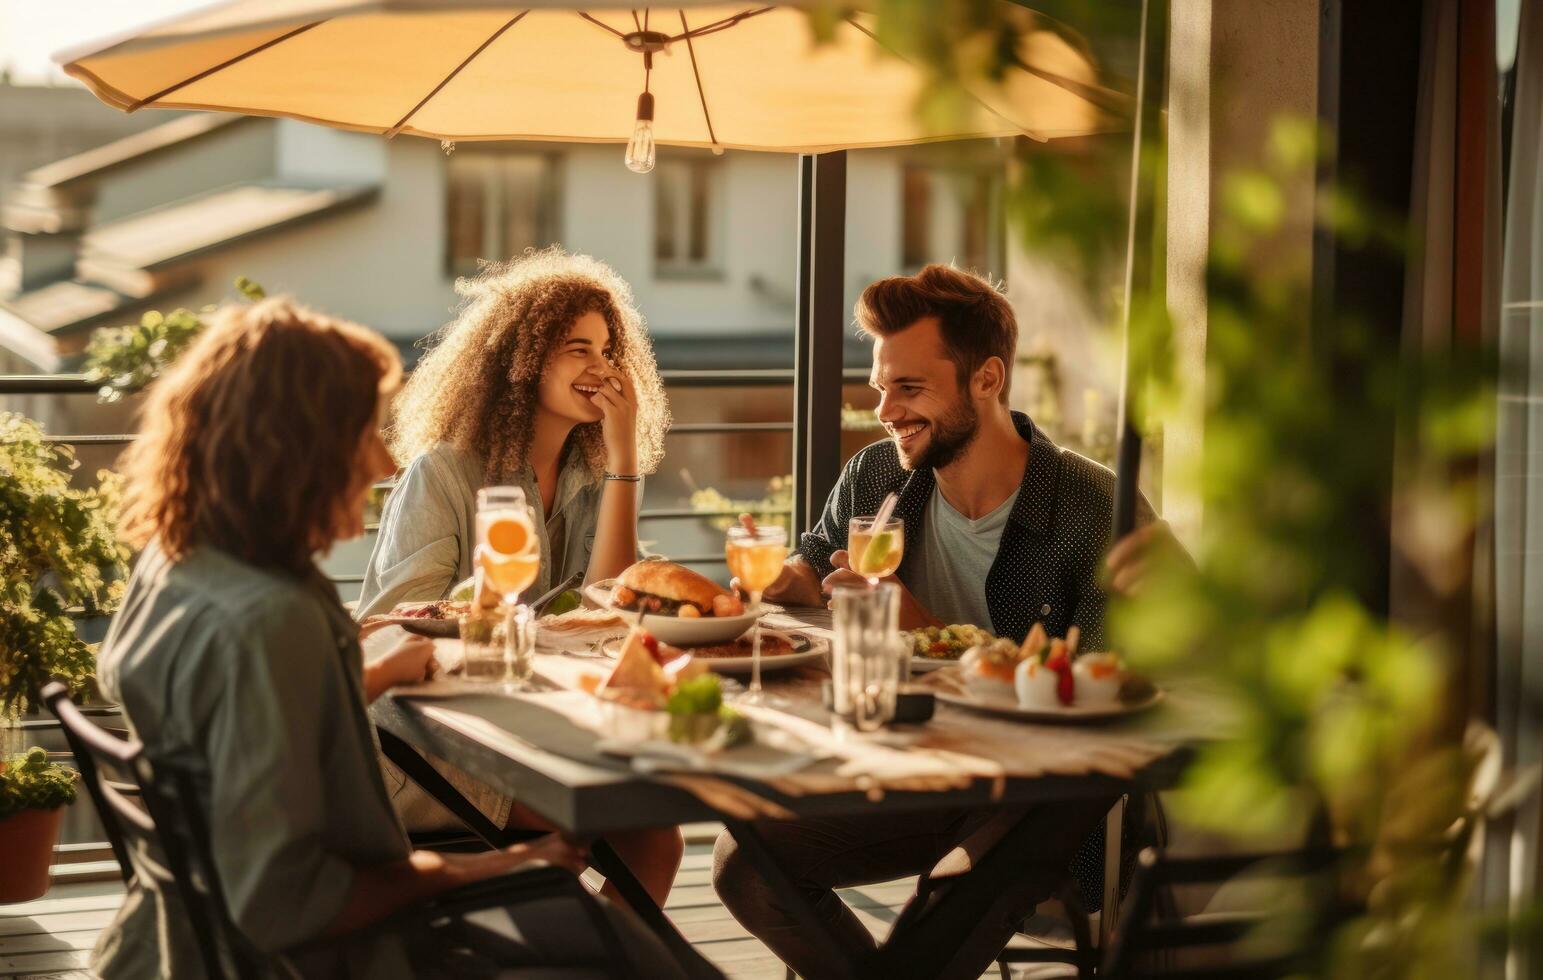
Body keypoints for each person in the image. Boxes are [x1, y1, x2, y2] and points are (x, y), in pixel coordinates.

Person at [95, 298, 687, 979]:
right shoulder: (274, 617)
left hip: (167, 940)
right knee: (657, 964)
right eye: (361, 432)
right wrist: (490, 868)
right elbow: (281, 903)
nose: (382, 462)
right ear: (288, 445)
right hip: (316, 959)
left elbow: (246, 728)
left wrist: (360, 676)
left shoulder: (179, 564)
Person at [712, 264, 1185, 980]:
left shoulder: (1095, 510)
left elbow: (1093, 694)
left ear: (986, 379)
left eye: (907, 388)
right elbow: (815, 562)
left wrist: (924, 626)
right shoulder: (877, 476)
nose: (884, 409)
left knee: (951, 899)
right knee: (746, 865)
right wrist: (786, 581)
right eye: (879, 387)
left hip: (1038, 797)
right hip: (911, 774)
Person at [354, 247, 683, 906]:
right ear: (519, 359)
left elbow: (610, 607)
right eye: (576, 348)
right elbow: (394, 631)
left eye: (607, 349)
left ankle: (607, 961)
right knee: (624, 829)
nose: (600, 367)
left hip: (533, 725)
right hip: (428, 745)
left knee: (654, 836)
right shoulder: (441, 473)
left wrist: (623, 463)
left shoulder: (591, 478)